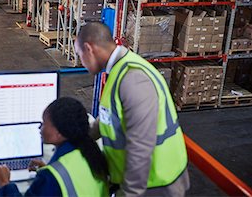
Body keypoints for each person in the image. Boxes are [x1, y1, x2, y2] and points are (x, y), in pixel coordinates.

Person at [74, 22, 190, 196]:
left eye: (79, 55)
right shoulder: (119, 71)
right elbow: (111, 116)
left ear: (89, 49)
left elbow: (141, 146)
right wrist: (78, 139)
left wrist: (128, 193)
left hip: (155, 184)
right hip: (142, 181)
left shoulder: (133, 79)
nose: (80, 62)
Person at [0, 97, 109, 196]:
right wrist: (50, 168)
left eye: (44, 123)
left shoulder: (50, 177)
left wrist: (4, 184)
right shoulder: (91, 153)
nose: (40, 128)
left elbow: (55, 183)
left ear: (59, 133)